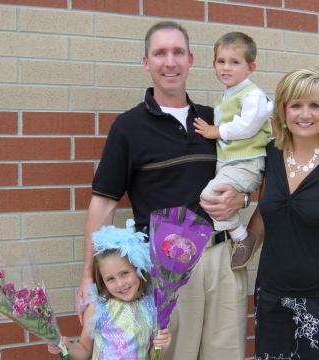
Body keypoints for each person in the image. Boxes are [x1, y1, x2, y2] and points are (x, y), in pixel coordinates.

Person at [76, 21, 248, 360]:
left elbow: (248, 175)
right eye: (160, 53)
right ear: (146, 62)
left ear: (190, 59)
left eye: (178, 52)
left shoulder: (217, 121)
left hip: (222, 259)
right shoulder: (128, 128)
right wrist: (88, 278)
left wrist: (241, 199)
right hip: (168, 267)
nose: (170, 62)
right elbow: (103, 204)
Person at [248, 69, 319, 359]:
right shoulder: (270, 156)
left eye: (315, 105)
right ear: (283, 111)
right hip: (272, 298)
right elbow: (265, 214)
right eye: (296, 105)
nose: (305, 114)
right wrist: (240, 248)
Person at [193, 32, 273, 270]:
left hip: (247, 163)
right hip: (233, 163)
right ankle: (239, 236)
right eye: (221, 61)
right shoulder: (226, 97)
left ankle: (241, 237)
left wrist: (215, 131)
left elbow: (248, 126)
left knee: (209, 197)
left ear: (251, 67)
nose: (226, 68)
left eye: (234, 62)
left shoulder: (253, 95)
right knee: (213, 198)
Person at [48, 220, 171, 359]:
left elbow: (153, 355)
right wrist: (65, 347)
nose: (120, 284)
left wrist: (162, 345)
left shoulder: (152, 307)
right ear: (102, 281)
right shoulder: (97, 308)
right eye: (110, 279)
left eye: (125, 273)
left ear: (138, 269)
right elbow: (84, 350)